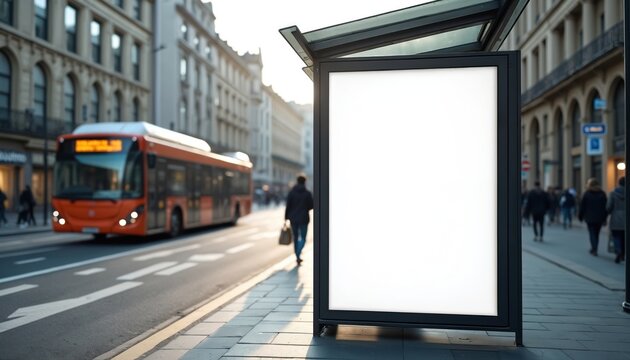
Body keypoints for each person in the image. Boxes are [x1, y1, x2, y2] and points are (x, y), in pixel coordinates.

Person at [284, 174, 313, 265]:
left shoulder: (292, 192)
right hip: (304, 218)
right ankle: (298, 253)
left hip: (293, 219)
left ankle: (297, 256)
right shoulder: (307, 193)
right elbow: (311, 206)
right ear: (305, 182)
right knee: (303, 238)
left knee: (295, 237)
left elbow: (288, 206)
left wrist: (286, 218)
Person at [578, 178, 608, 256]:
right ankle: (594, 247)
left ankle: (594, 248)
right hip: (599, 217)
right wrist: (605, 218)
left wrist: (580, 216)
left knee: (592, 233)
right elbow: (605, 207)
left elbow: (582, 206)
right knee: (597, 233)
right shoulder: (602, 193)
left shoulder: (587, 194)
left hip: (589, 217)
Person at [607, 177, 625, 263]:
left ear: (619, 183)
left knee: (616, 236)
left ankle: (618, 251)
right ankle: (623, 255)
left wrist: (608, 212)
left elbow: (609, 207)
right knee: (625, 237)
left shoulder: (613, 193)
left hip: (616, 218)